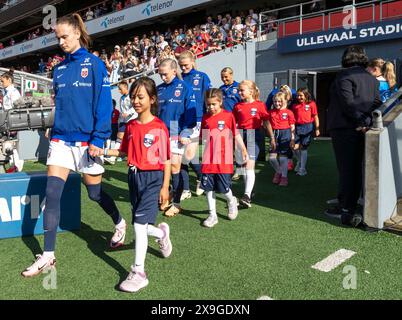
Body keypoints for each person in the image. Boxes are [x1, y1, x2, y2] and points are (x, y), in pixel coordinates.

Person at [21, 14, 126, 277]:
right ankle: (48, 255)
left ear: (78, 33)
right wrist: (52, 125)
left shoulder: (94, 64)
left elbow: (103, 105)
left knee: (94, 194)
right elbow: (61, 104)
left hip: (87, 142)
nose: (61, 42)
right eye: (57, 38)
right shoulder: (59, 68)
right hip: (60, 141)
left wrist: (98, 139)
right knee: (53, 194)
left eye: (65, 36)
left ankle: (120, 222)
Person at [101, 77, 172, 293]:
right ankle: (162, 234)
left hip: (153, 179)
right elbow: (123, 152)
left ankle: (139, 272)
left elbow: (167, 159)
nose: (136, 101)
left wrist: (165, 187)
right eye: (133, 97)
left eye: (140, 97)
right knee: (141, 226)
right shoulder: (130, 126)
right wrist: (101, 151)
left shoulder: (159, 127)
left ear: (152, 99)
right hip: (133, 177)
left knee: (139, 226)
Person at [325, 45, 381, 227]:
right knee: (355, 168)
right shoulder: (372, 79)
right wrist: (367, 122)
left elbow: (347, 104)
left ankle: (346, 208)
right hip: (362, 128)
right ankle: (347, 200)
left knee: (347, 169)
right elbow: (377, 103)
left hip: (345, 129)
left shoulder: (343, 76)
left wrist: (361, 122)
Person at [201, 88, 248, 227]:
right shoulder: (205, 117)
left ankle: (231, 200)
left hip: (224, 159)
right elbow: (204, 137)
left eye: (213, 104)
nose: (210, 107)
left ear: (220, 102)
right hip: (208, 159)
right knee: (208, 189)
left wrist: (243, 148)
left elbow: (236, 134)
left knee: (224, 189)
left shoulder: (228, 116)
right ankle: (212, 215)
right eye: (208, 104)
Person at [157, 58, 196, 217]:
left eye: (165, 74)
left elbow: (192, 112)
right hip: (160, 132)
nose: (162, 77)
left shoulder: (185, 87)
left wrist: (185, 132)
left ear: (174, 71)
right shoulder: (158, 89)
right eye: (160, 74)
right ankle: (167, 193)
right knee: (160, 167)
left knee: (174, 168)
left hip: (175, 130)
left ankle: (177, 203)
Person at [233, 80, 273, 207]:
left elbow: (266, 122)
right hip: (241, 136)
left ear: (251, 91)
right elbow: (234, 125)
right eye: (239, 90)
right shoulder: (237, 106)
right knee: (245, 165)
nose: (239, 92)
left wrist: (272, 137)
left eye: (242, 90)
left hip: (254, 135)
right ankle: (249, 192)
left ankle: (246, 196)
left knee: (249, 164)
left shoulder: (260, 105)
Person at [178, 51, 211, 200]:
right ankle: (185, 189)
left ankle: (201, 176)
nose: (183, 68)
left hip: (196, 119)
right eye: (181, 65)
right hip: (179, 121)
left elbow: (209, 98)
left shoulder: (202, 77)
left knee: (188, 155)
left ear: (192, 61)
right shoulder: (178, 78)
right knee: (178, 155)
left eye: (185, 65)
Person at [267, 91, 295, 187]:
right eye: (275, 102)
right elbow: (268, 124)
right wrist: (271, 138)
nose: (277, 103)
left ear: (285, 101)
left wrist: (292, 139)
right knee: (271, 158)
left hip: (285, 134)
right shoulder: (270, 112)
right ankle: (279, 171)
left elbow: (292, 126)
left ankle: (284, 177)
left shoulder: (289, 112)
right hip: (274, 134)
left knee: (283, 158)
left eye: (280, 101)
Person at [105, 81, 137, 164]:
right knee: (119, 137)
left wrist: (128, 113)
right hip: (124, 121)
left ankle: (134, 156)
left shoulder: (132, 96)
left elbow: (135, 107)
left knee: (132, 139)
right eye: (118, 89)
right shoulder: (121, 98)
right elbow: (123, 110)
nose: (119, 91)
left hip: (132, 120)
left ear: (126, 87)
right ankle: (112, 158)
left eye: (120, 89)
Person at [0, 69, 24, 172]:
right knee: (9, 145)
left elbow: (16, 109)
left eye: (2, 81)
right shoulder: (6, 92)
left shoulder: (13, 92)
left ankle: (17, 167)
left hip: (13, 123)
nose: (1, 83)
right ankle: (13, 166)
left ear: (9, 80)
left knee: (13, 145)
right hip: (7, 123)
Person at [292, 88, 320, 176]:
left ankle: (302, 169)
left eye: (301, 95)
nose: (299, 97)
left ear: (306, 95)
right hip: (297, 127)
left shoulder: (311, 104)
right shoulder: (294, 105)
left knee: (303, 147)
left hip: (307, 127)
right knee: (294, 147)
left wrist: (317, 129)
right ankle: (300, 161)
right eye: (298, 95)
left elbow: (315, 116)